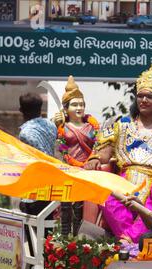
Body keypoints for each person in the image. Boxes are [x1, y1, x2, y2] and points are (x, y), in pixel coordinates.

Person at [85, 62, 152, 243]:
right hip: (126, 180)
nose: (144, 100)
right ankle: (129, 238)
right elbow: (104, 152)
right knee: (110, 198)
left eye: (150, 96)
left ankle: (127, 241)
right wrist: (94, 158)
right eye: (140, 96)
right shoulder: (122, 124)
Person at [53, 75, 100, 236]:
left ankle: (80, 239)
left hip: (87, 171)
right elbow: (59, 149)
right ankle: (65, 239)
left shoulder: (91, 126)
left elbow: (98, 146)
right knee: (66, 208)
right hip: (68, 171)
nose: (79, 108)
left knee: (82, 208)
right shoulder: (63, 127)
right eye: (74, 105)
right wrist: (58, 127)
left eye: (81, 104)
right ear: (65, 109)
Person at [18, 92, 57, 215]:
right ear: (40, 109)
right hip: (51, 185)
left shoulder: (25, 133)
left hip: (34, 189)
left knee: (32, 229)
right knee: (47, 227)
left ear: (21, 110)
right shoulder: (51, 125)